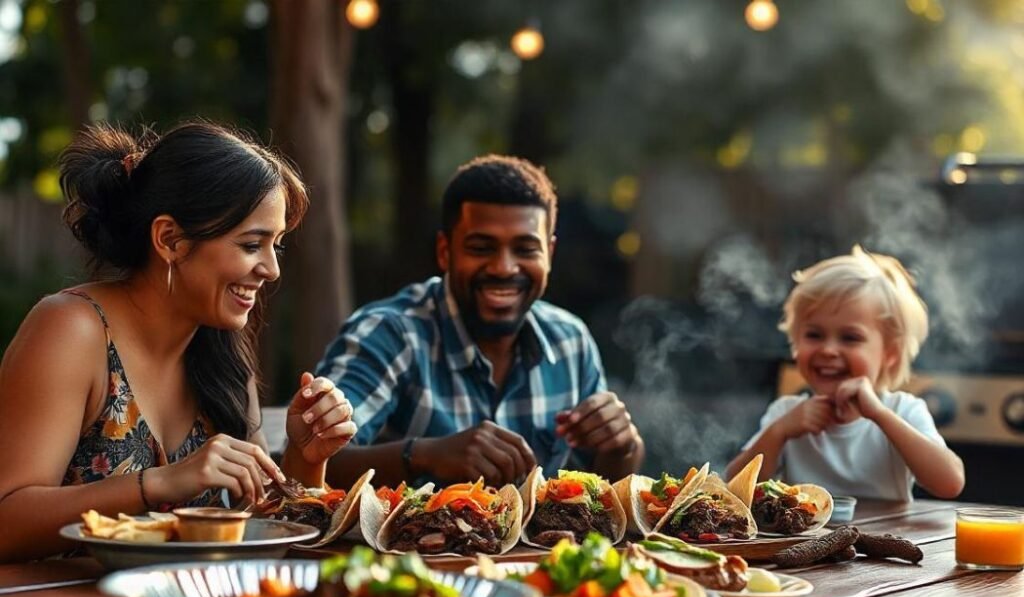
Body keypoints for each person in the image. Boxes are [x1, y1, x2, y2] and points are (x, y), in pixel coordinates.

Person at [0, 122, 357, 561]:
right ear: (170, 239)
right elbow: (6, 521)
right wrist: (160, 483)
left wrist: (306, 457)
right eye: (251, 245)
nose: (271, 269)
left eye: (276, 246)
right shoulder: (73, 330)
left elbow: (262, 524)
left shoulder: (223, 353)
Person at [315, 155, 644, 488]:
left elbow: (604, 484)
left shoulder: (571, 341)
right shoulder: (389, 334)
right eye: (481, 247)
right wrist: (424, 456)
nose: (504, 268)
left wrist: (623, 446)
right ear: (445, 251)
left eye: (525, 249)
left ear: (549, 254)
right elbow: (314, 457)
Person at [725, 246, 964, 501]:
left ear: (889, 353)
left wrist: (879, 415)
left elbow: (950, 483)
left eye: (850, 338)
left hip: (886, 540)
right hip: (811, 542)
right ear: (795, 343)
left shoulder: (902, 411)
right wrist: (779, 432)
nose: (828, 350)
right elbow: (734, 490)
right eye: (814, 335)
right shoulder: (785, 414)